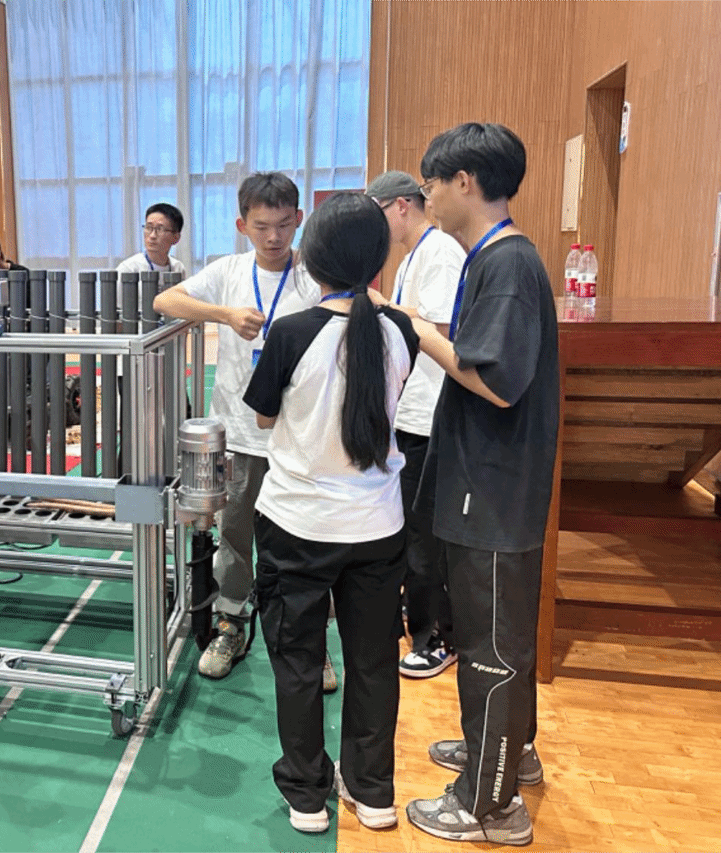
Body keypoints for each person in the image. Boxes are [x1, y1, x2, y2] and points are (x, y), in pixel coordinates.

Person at [397, 123, 558, 847]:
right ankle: (508, 754)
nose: (425, 196)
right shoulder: (492, 258)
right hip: (488, 482)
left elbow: (495, 381)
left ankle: (490, 807)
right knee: (501, 636)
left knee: (492, 646)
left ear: (465, 182)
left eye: (431, 183)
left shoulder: (509, 264)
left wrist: (419, 331)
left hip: (494, 489)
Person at [244, 192, 416, 834]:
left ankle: (307, 796)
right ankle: (373, 793)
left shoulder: (292, 332)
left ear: (311, 258)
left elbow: (264, 417)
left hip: (298, 524)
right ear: (378, 259)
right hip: (377, 526)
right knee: (373, 662)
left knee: (297, 661)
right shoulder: (400, 330)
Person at [153, 172, 329, 688]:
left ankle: (309, 643)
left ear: (299, 219)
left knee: (303, 541)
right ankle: (231, 623)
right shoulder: (228, 272)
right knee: (234, 534)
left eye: (284, 225)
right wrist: (223, 315)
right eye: (261, 226)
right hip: (240, 435)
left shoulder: (314, 275)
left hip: (300, 438)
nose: (274, 237)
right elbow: (166, 302)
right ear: (241, 225)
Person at [366, 170, 465, 679]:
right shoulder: (410, 258)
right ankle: (418, 619)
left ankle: (437, 638)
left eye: (378, 214)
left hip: (431, 414)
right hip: (409, 412)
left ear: (401, 206)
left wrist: (381, 305)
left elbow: (441, 328)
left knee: (426, 538)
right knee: (409, 530)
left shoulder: (441, 252)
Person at [116, 203, 187, 278]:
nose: (152, 235)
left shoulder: (178, 268)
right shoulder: (129, 269)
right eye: (149, 227)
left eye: (160, 229)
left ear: (176, 238)